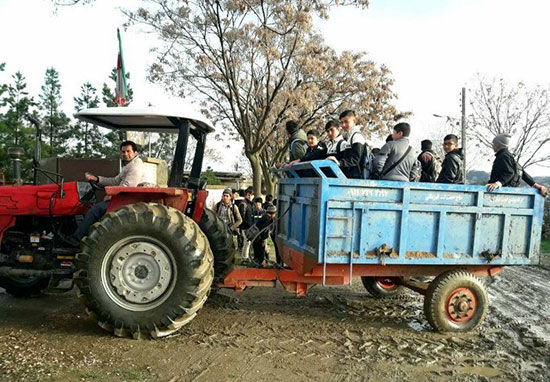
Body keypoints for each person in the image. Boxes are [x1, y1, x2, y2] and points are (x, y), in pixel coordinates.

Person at [67, 141, 146, 244]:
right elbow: (115, 181)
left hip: (130, 199)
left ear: (135, 153)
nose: (125, 154)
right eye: (123, 152)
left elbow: (127, 186)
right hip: (126, 197)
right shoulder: (129, 165)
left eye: (128, 151)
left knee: (95, 210)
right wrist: (96, 179)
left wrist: (111, 196)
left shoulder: (136, 166)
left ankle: (76, 240)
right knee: (96, 208)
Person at [327, 110, 366, 179]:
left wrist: (339, 162)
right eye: (342, 122)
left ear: (354, 121)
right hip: (350, 177)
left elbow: (355, 159)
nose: (343, 125)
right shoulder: (350, 136)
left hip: (356, 179)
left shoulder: (357, 136)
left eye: (346, 122)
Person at [238, 187, 255, 260]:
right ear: (245, 195)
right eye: (248, 195)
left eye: (251, 195)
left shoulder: (250, 204)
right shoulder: (243, 204)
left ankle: (246, 257)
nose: (250, 196)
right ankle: (245, 258)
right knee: (246, 242)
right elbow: (242, 217)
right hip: (245, 227)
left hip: (249, 226)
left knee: (248, 243)